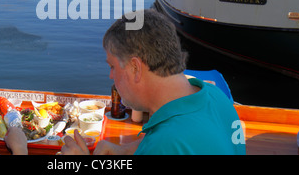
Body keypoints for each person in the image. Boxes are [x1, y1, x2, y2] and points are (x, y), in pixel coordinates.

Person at [61, 9, 246, 155]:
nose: (110, 76)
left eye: (112, 66)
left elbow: (167, 143)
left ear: (135, 68)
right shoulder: (215, 97)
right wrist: (124, 150)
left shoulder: (165, 144)